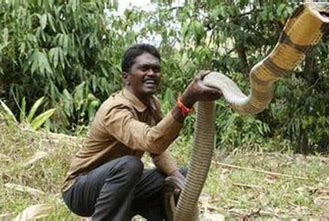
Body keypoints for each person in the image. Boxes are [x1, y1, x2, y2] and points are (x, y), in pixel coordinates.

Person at [61, 43, 222, 220]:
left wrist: (178, 178)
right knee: (130, 165)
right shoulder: (115, 110)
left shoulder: (152, 104)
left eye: (156, 69)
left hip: (121, 182)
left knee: (182, 177)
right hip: (80, 189)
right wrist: (186, 101)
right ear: (126, 77)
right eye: (144, 68)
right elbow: (153, 141)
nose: (152, 73)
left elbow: (158, 150)